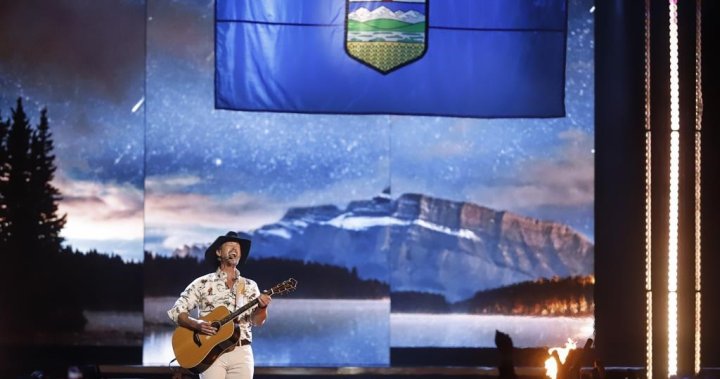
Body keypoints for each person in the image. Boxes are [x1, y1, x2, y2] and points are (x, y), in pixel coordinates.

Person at [168, 231, 271, 379]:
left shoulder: (250, 285)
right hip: (210, 351)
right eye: (230, 245)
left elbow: (257, 321)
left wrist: (263, 307)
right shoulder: (202, 283)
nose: (234, 249)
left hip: (242, 352)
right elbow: (177, 311)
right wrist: (196, 324)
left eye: (238, 247)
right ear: (218, 252)